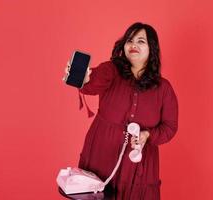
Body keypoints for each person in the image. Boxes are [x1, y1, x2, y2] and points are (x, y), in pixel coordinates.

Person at [66, 22, 178, 200]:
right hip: (101, 153)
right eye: (129, 40)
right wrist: (85, 78)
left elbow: (170, 127)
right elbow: (92, 83)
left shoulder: (163, 88)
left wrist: (147, 135)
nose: (133, 45)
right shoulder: (111, 70)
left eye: (141, 41)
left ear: (152, 49)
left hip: (139, 164)